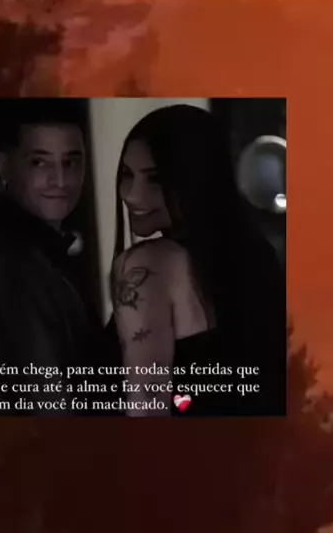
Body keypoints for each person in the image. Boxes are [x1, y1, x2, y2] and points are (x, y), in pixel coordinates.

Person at [108, 104, 286, 416]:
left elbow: (146, 412)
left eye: (155, 179)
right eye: (126, 175)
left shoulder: (148, 264)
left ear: (198, 178)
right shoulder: (257, 256)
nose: (132, 195)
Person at [0, 105, 105, 414]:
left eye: (71, 162)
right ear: (3, 166)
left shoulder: (38, 253)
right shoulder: (10, 263)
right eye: (39, 162)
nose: (60, 179)